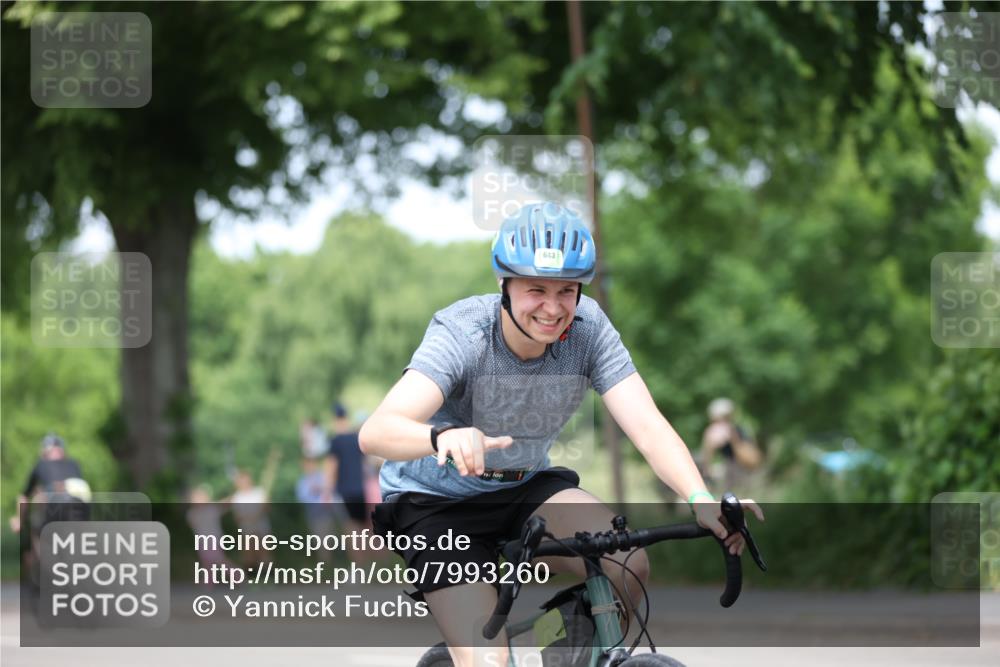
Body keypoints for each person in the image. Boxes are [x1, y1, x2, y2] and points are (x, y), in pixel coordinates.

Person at [360, 202, 763, 667]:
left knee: (626, 563)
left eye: (566, 291)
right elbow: (376, 432)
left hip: (522, 486)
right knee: (487, 661)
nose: (553, 308)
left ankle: (541, 650)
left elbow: (648, 426)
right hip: (433, 502)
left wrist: (699, 495)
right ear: (503, 285)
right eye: (536, 289)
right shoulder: (464, 332)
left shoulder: (588, 329)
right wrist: (441, 439)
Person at [699, 397, 763, 492]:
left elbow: (753, 459)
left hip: (743, 471)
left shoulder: (740, 431)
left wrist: (733, 438)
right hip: (728, 470)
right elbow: (706, 461)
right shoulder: (712, 432)